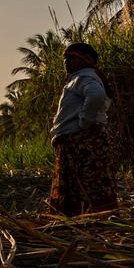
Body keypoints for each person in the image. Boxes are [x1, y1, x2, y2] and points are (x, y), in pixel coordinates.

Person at [49, 42, 118, 216]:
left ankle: (93, 217)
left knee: (88, 180)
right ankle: (87, 217)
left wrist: (84, 122)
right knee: (84, 181)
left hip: (82, 140)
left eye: (70, 58)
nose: (66, 63)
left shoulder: (84, 77)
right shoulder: (82, 77)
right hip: (78, 139)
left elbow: (96, 95)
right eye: (65, 59)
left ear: (83, 60)